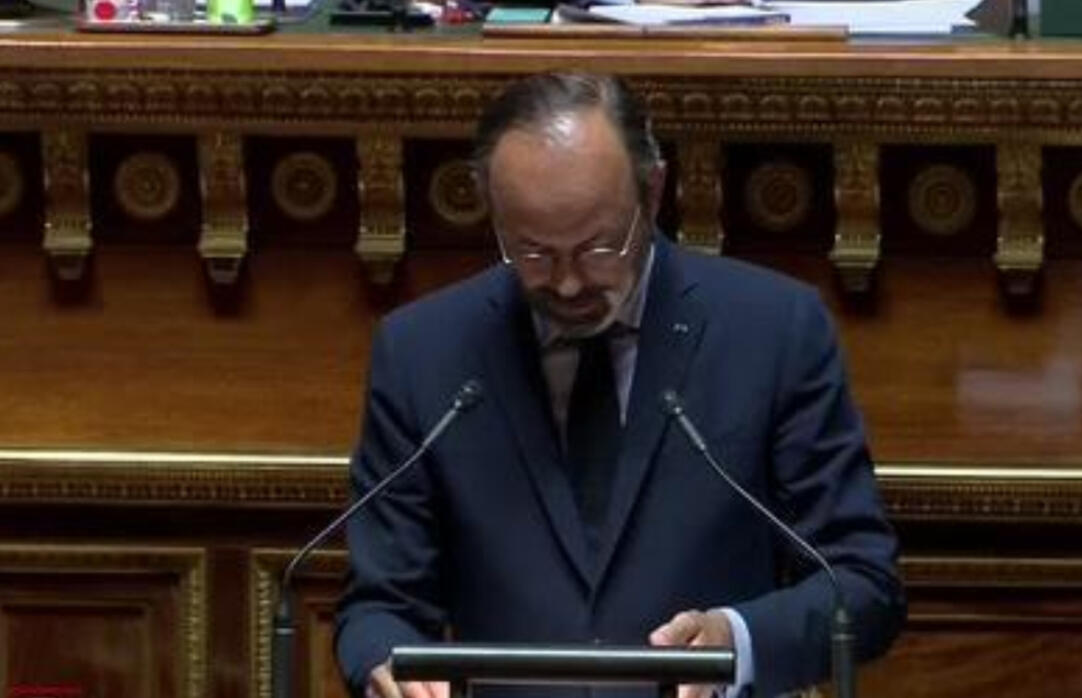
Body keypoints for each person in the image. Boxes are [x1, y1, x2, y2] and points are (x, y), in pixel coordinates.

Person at [334, 72, 904, 698]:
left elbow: (863, 583)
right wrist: (387, 662)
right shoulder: (423, 352)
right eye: (532, 252)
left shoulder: (774, 332)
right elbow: (378, 605)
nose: (569, 283)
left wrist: (735, 641)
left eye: (598, 247)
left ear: (652, 192)